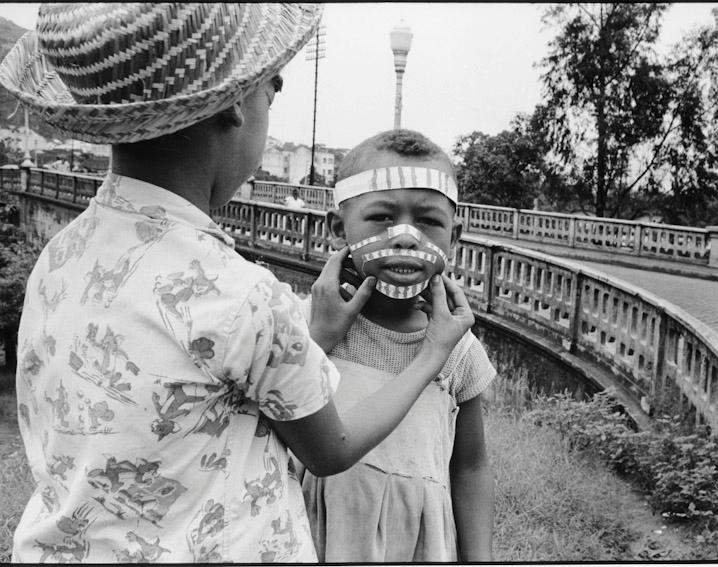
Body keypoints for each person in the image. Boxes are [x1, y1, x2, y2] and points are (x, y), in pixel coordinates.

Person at [0, 5, 475, 563]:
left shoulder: (59, 257)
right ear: (234, 104)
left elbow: (202, 391)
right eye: (272, 91)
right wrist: (433, 353)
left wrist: (314, 338)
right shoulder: (244, 296)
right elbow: (331, 449)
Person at [301, 129, 496, 562]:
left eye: (428, 221)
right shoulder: (303, 326)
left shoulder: (459, 351)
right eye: (382, 217)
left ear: (454, 236)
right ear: (338, 228)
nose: (406, 236)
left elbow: (470, 466)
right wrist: (315, 342)